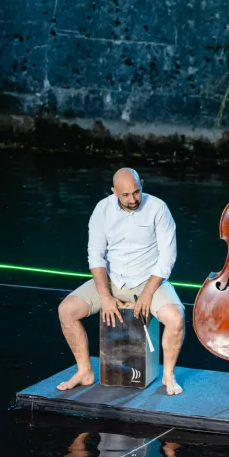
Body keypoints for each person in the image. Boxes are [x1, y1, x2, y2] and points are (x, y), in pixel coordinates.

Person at [57, 168, 185, 395]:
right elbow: (95, 255)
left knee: (175, 319)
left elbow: (167, 257)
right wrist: (105, 296)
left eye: (136, 192)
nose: (133, 199)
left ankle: (168, 375)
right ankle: (85, 371)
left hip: (148, 282)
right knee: (66, 310)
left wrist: (147, 294)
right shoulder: (102, 209)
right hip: (112, 280)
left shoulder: (158, 208)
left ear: (142, 184)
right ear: (114, 191)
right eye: (125, 195)